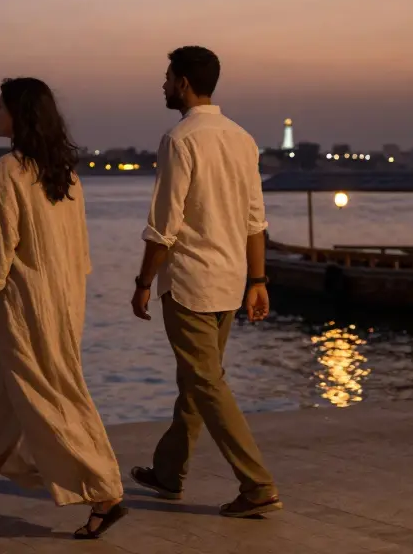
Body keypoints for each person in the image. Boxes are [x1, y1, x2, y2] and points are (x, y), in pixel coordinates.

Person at [0, 77, 128, 540]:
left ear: (19, 115)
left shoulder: (7, 169)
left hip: (26, 304)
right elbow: (80, 252)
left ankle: (104, 489)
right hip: (64, 299)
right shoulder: (65, 173)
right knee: (5, 397)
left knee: (51, 396)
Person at [128, 46, 282, 517]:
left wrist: (142, 281)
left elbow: (164, 225)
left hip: (192, 283)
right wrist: (257, 280)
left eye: (167, 76)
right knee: (198, 379)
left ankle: (257, 485)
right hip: (230, 280)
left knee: (207, 383)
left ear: (184, 83)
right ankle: (168, 471)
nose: (163, 84)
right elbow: (256, 220)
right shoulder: (242, 138)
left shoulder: (180, 139)